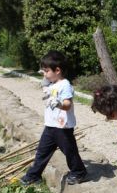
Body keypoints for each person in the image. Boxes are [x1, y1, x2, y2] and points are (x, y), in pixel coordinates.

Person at [21, 50, 87, 186]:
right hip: (51, 125)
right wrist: (45, 78)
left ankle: (79, 172)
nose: (44, 74)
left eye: (46, 71)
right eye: (43, 71)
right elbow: (45, 86)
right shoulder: (53, 84)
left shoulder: (65, 85)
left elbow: (67, 104)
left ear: (57, 70)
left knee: (69, 151)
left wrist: (58, 104)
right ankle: (34, 175)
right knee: (42, 152)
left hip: (63, 127)